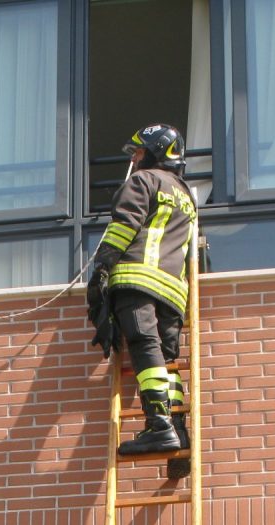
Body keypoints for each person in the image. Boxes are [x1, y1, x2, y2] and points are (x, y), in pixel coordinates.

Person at [87, 124, 198, 456]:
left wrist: (102, 270)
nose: (134, 159)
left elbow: (124, 226)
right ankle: (177, 427)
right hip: (174, 291)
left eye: (138, 152)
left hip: (139, 277)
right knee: (165, 358)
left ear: (155, 152)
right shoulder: (187, 197)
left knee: (142, 343)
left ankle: (159, 424)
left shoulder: (143, 181)